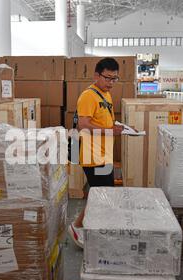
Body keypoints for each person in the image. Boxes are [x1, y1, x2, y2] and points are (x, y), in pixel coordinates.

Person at [67, 58, 133, 248]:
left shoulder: (106, 95)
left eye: (115, 79)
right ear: (97, 75)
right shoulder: (88, 96)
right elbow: (83, 125)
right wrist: (112, 131)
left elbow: (106, 123)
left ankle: (89, 227)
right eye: (108, 78)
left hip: (104, 153)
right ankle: (77, 226)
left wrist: (125, 129)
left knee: (103, 193)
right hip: (91, 155)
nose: (111, 83)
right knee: (102, 194)